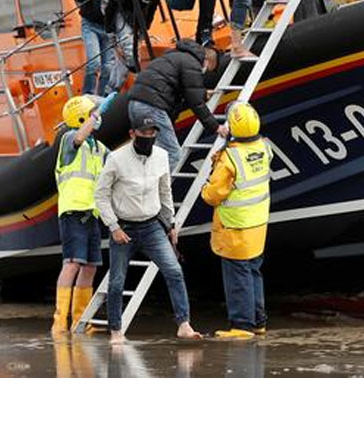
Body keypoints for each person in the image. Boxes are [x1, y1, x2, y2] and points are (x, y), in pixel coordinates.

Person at [94, 114, 203, 344]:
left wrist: (170, 224)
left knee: (174, 271)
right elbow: (100, 195)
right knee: (117, 281)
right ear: (133, 134)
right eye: (144, 133)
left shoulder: (161, 156)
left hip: (152, 225)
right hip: (124, 228)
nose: (149, 137)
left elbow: (165, 191)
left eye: (153, 133)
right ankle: (116, 331)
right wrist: (113, 226)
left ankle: (184, 324)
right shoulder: (116, 159)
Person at [202, 101, 273, 339]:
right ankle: (258, 321)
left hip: (235, 226)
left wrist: (207, 182)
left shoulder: (229, 158)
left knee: (237, 276)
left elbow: (213, 195)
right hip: (258, 223)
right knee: (254, 271)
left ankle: (242, 325)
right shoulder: (264, 147)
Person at [52, 95, 109, 336]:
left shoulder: (100, 149)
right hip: (73, 211)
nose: (99, 118)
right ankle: (59, 320)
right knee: (72, 263)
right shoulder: (68, 139)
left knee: (90, 266)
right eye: (94, 114)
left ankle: (80, 319)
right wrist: (94, 114)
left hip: (91, 212)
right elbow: (77, 138)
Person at [126, 39, 228, 171]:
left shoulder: (172, 57)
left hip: (134, 104)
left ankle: (141, 183)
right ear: (206, 60)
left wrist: (201, 93)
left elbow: (176, 88)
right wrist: (215, 127)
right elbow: (195, 102)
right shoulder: (192, 64)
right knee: (173, 154)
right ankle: (158, 189)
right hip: (153, 107)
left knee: (152, 153)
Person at [103, 0, 163, 93]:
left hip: (136, 5)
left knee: (134, 41)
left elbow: (151, 10)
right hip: (115, 6)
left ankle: (112, 89)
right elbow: (109, 12)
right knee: (129, 47)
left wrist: (144, 29)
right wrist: (112, 36)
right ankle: (135, 72)